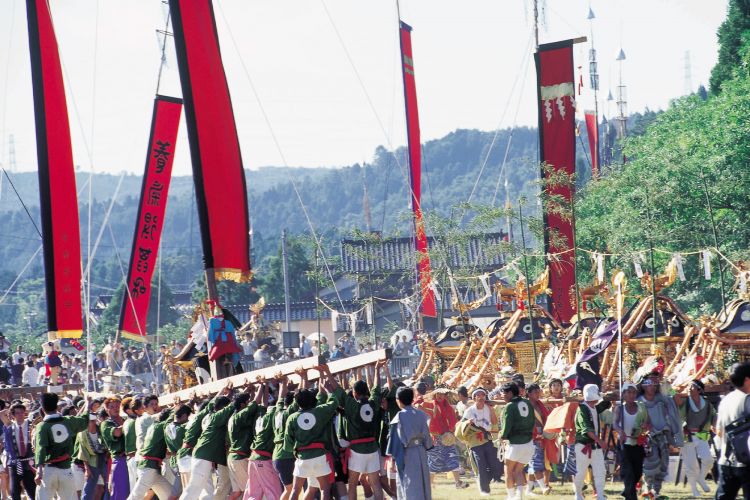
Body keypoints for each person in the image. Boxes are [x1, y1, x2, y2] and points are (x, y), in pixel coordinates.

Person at [283, 365, 344, 500]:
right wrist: (329, 391)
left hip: (302, 457)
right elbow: (334, 402)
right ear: (312, 400)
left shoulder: (291, 418)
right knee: (325, 489)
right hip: (320, 456)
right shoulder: (319, 411)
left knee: (295, 490)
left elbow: (287, 445)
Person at [180, 382, 235, 499]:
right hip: (202, 456)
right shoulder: (216, 416)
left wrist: (222, 391)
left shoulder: (206, 415)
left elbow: (211, 404)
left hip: (200, 455)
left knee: (207, 491)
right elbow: (231, 406)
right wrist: (231, 394)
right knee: (194, 488)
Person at [341, 361, 387, 499]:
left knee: (352, 483)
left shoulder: (352, 406)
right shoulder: (373, 403)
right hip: (373, 448)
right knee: (375, 483)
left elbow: (338, 391)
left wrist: (326, 374)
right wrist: (377, 370)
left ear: (354, 393)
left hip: (357, 449)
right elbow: (376, 389)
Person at [34, 392, 91, 500]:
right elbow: (84, 421)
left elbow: (41, 448)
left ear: (42, 408)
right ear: (56, 407)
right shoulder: (68, 421)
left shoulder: (42, 426)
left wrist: (39, 471)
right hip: (66, 470)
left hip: (47, 471)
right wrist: (87, 404)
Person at [638, 375, 683, 497]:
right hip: (647, 437)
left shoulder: (663, 398)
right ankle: (647, 489)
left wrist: (670, 388)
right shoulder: (639, 401)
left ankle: (656, 491)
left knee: (664, 463)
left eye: (654, 383)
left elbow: (679, 401)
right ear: (643, 385)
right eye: (648, 383)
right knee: (650, 463)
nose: (652, 386)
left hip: (663, 435)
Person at [386, 386, 432, 500]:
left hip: (406, 453)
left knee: (409, 482)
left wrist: (392, 460)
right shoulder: (421, 414)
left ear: (398, 400)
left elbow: (395, 441)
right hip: (421, 451)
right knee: (422, 481)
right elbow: (427, 437)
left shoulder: (399, 417)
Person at [674, 379, 715, 496]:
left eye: (691, 386)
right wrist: (681, 427)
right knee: (691, 466)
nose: (688, 388)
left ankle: (701, 478)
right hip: (687, 437)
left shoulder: (707, 404)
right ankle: (694, 489)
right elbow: (678, 417)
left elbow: (713, 416)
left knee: (708, 460)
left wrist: (717, 425)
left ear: (698, 390)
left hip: (702, 435)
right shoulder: (685, 403)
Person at [715, 361, 750, 499]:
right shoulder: (747, 400)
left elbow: (719, 430)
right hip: (746, 460)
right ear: (747, 380)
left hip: (726, 459)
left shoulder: (725, 400)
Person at [459, 387, 502, 496]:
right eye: (477, 395)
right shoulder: (470, 410)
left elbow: (494, 421)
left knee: (495, 465)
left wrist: (491, 409)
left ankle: (483, 481)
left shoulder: (488, 408)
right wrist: (468, 422)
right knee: (481, 465)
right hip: (474, 440)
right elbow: (462, 425)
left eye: (482, 395)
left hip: (487, 438)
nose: (480, 397)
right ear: (473, 398)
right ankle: (484, 490)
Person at [613, 382, 650, 500]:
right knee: (628, 472)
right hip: (624, 444)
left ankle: (627, 491)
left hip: (637, 443)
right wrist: (620, 431)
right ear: (623, 394)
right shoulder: (619, 408)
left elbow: (647, 422)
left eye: (634, 392)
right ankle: (631, 497)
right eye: (629, 392)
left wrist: (645, 425)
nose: (631, 395)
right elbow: (614, 423)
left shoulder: (641, 408)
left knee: (637, 472)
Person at [498, 382, 534, 500]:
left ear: (509, 393)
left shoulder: (510, 406)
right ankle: (519, 496)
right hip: (528, 443)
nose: (502, 396)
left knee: (508, 470)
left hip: (515, 444)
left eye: (504, 394)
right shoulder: (528, 403)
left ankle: (510, 496)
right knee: (519, 470)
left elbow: (507, 425)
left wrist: (502, 436)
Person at [226, 385, 262, 500]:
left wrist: (249, 390)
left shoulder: (233, 416)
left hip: (233, 458)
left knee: (237, 493)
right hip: (239, 459)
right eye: (247, 402)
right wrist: (262, 385)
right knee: (249, 490)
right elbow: (255, 403)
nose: (249, 403)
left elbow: (250, 403)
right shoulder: (240, 416)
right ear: (242, 405)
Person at [573, 384, 607, 500]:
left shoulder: (594, 407)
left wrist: (608, 397)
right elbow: (587, 430)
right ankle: (578, 494)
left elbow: (605, 404)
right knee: (580, 472)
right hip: (583, 446)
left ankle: (600, 495)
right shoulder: (582, 409)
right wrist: (600, 441)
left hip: (595, 446)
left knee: (600, 471)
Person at [0, 403, 35, 500]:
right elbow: (1, 414)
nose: (20, 415)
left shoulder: (30, 424)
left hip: (29, 461)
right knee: (14, 490)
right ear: (13, 415)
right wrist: (10, 410)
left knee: (31, 489)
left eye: (22, 413)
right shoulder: (9, 425)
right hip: (15, 462)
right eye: (17, 413)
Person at [100, 397, 130, 500]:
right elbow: (117, 433)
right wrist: (130, 423)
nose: (115, 408)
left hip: (132, 459)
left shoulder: (126, 420)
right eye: (112, 407)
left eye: (117, 406)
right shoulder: (106, 424)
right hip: (120, 460)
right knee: (120, 493)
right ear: (107, 409)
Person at [525, 383, 552, 496]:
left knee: (534, 462)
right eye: (535, 392)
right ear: (529, 393)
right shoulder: (525, 405)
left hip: (541, 434)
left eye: (538, 392)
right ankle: (543, 487)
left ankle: (528, 490)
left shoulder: (540, 404)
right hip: (530, 436)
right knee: (536, 462)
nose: (538, 394)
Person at [76, 408, 108, 500]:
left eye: (94, 420)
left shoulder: (101, 429)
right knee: (89, 488)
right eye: (90, 421)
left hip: (103, 459)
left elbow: (106, 445)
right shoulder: (82, 434)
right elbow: (82, 452)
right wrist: (87, 468)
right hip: (91, 462)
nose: (93, 423)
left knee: (108, 484)